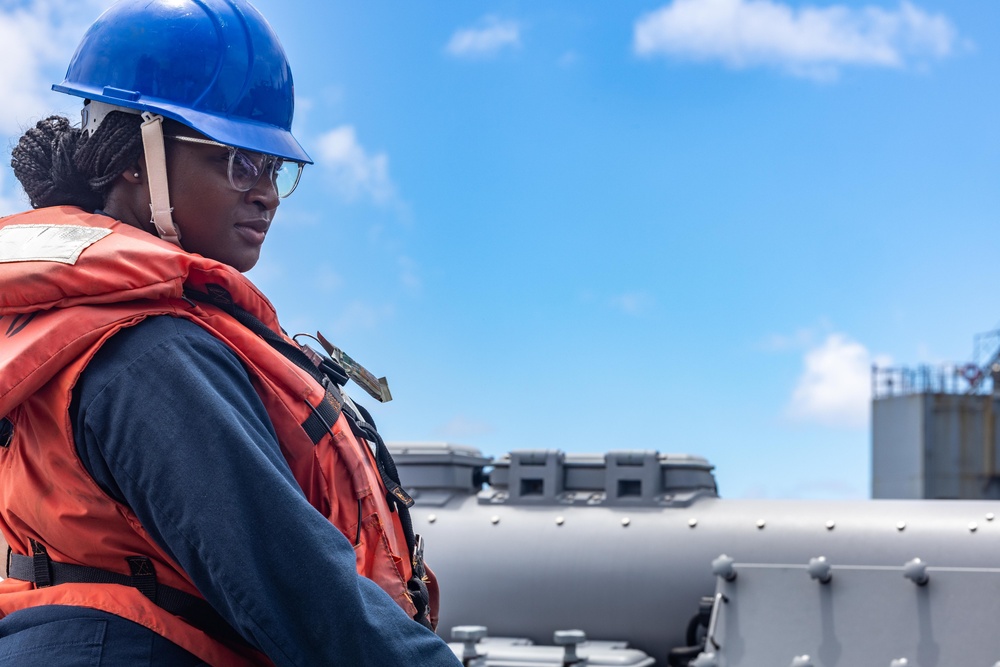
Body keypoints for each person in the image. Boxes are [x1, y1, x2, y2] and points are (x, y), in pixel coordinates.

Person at [0, 0, 463, 665]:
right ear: (136, 156)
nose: (266, 192)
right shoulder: (150, 353)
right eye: (241, 162)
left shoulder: (66, 325)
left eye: (276, 170)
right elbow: (300, 590)